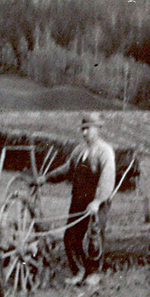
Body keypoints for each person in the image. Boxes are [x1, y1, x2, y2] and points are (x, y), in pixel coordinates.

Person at [42, 112, 116, 287]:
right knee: (70, 237)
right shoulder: (79, 150)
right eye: (82, 129)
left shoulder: (104, 151)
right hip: (78, 200)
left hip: (97, 202)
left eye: (87, 129)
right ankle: (78, 272)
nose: (84, 133)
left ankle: (93, 273)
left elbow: (107, 179)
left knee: (93, 238)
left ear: (98, 129)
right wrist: (46, 178)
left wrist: (97, 202)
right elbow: (67, 169)